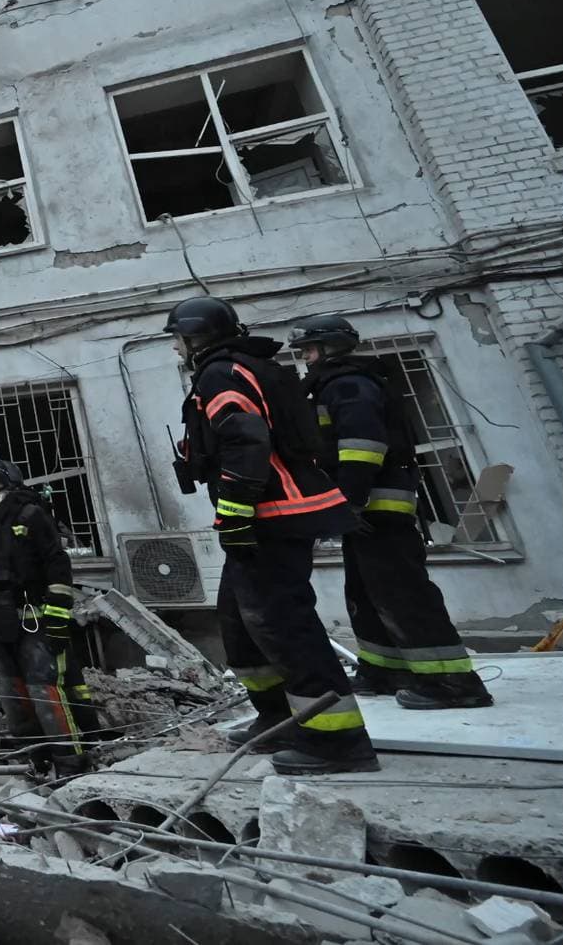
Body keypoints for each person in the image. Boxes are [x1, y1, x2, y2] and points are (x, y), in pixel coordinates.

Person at [166, 295, 380, 774]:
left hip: (273, 513)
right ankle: (276, 717)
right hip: (265, 513)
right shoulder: (243, 367)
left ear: (196, 337)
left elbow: (245, 438)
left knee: (282, 623)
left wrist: (237, 513)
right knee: (240, 622)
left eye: (178, 339)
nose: (176, 349)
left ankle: (337, 740)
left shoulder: (222, 373)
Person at [289, 315, 492, 710]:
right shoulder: (333, 385)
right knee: (365, 591)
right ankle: (386, 668)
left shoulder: (350, 385)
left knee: (403, 593)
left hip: (377, 505)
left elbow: (362, 447)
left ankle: (453, 682)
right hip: (362, 508)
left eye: (310, 349)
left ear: (330, 347)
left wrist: (350, 500)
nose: (306, 358)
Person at [0, 456, 90, 775]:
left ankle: (72, 764)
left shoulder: (29, 515)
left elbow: (58, 568)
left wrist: (57, 620)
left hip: (34, 619)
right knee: (11, 694)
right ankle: (36, 759)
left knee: (45, 691)